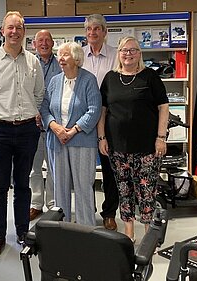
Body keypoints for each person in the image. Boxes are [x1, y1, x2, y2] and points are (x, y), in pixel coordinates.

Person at [0, 11, 45, 259]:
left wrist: (28, 114)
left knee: (23, 185)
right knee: (0, 186)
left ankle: (23, 233)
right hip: (0, 130)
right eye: (10, 27)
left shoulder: (33, 62)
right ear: (2, 31)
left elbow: (39, 94)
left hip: (27, 130)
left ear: (24, 32)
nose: (15, 32)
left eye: (19, 27)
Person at [97, 36, 169, 242]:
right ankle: (129, 233)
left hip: (147, 147)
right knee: (123, 189)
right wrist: (102, 137)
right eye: (124, 50)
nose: (128, 54)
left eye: (133, 50)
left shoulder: (150, 77)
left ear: (140, 53)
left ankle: (148, 235)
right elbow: (102, 110)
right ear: (118, 54)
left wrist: (161, 137)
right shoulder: (110, 78)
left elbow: (163, 107)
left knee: (147, 191)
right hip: (117, 147)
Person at [40, 41, 101, 226]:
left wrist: (73, 130)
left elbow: (94, 109)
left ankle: (86, 228)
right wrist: (54, 126)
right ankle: (63, 228)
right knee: (60, 187)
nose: (60, 58)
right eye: (59, 54)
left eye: (65, 54)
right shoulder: (55, 81)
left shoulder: (89, 80)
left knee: (83, 187)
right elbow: (44, 107)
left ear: (76, 58)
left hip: (82, 141)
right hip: (57, 141)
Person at [81, 14, 120, 231]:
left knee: (110, 170)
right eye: (89, 29)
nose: (93, 32)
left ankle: (109, 213)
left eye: (97, 29)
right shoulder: (80, 57)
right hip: (84, 120)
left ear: (105, 32)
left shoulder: (116, 55)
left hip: (109, 119)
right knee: (84, 170)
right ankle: (87, 212)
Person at [29, 29, 62, 221]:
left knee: (52, 167)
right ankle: (36, 204)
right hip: (32, 123)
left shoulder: (60, 63)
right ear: (34, 44)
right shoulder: (29, 63)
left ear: (52, 43)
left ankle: (52, 204)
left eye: (47, 40)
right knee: (34, 167)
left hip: (53, 124)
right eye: (39, 40)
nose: (43, 43)